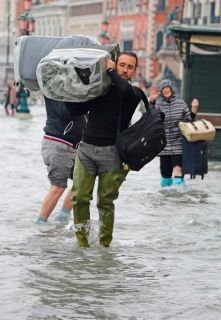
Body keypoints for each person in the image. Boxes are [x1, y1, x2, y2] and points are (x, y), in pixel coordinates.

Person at [65, 52, 144, 248]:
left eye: (130, 67)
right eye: (122, 65)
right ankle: (82, 243)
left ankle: (104, 245)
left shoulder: (134, 93)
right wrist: (69, 89)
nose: (125, 70)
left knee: (105, 203)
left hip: (113, 154)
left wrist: (109, 69)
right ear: (116, 65)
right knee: (79, 197)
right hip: (86, 150)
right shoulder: (100, 88)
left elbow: (124, 90)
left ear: (134, 71)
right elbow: (75, 111)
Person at [35, 96, 86, 223]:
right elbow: (64, 112)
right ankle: (40, 225)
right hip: (59, 144)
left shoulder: (76, 89)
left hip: (74, 146)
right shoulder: (56, 88)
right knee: (58, 186)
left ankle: (62, 218)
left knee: (83, 181)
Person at [149, 79, 199, 187]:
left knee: (177, 169)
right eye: (163, 89)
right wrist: (152, 102)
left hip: (179, 143)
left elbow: (189, 121)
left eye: (168, 88)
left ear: (172, 89)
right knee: (165, 175)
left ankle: (179, 195)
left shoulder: (181, 104)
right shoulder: (158, 105)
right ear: (161, 92)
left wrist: (194, 110)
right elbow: (150, 118)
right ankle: (166, 198)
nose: (166, 90)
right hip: (164, 145)